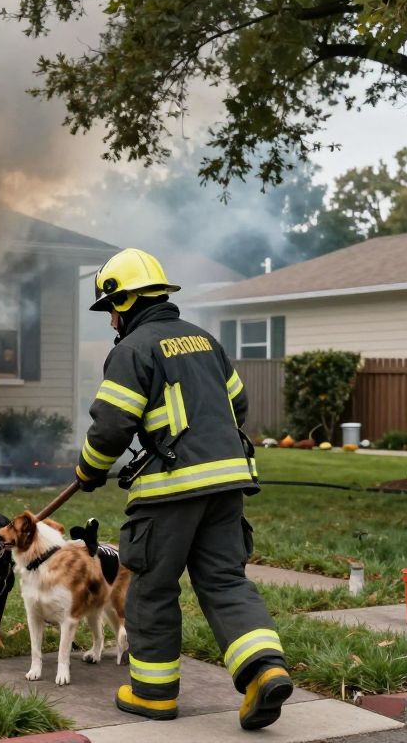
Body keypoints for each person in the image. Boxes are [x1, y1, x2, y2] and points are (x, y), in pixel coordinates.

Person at [75, 248, 292, 730]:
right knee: (225, 581)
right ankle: (264, 670)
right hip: (227, 487)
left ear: (125, 301)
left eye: (110, 310)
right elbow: (239, 404)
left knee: (151, 588)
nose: (111, 321)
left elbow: (111, 427)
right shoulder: (205, 341)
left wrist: (89, 471)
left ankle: (152, 693)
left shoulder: (132, 350)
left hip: (169, 493)